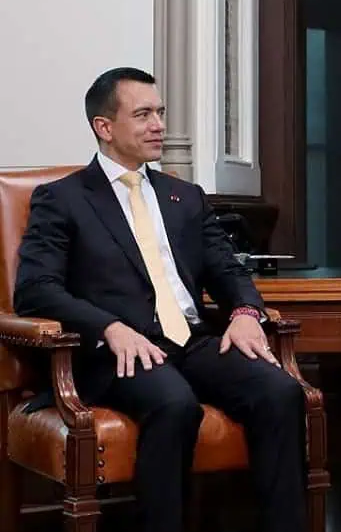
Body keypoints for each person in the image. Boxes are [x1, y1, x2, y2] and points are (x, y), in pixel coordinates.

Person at [13, 68, 306, 532]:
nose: (159, 125)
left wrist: (247, 312)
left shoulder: (183, 197)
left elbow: (228, 269)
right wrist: (107, 327)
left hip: (190, 341)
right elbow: (34, 289)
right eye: (143, 114)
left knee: (281, 390)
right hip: (120, 353)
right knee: (174, 404)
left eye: (160, 113)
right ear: (104, 127)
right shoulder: (64, 199)